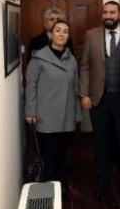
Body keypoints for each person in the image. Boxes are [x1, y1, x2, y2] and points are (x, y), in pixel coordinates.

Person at [79, 1, 120, 204]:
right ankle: (103, 179)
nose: (108, 16)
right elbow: (85, 65)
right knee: (101, 141)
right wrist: (84, 94)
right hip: (99, 98)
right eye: (105, 12)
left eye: (112, 12)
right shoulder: (91, 34)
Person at [25, 20, 82, 197]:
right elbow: (30, 86)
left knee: (62, 153)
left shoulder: (71, 58)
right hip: (46, 114)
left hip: (66, 114)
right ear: (51, 34)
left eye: (65, 31)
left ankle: (60, 184)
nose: (62, 34)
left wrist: (77, 113)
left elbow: (75, 88)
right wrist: (30, 111)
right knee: (48, 153)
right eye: (58, 30)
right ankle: (50, 187)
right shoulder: (38, 58)